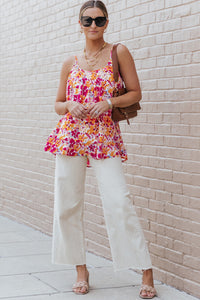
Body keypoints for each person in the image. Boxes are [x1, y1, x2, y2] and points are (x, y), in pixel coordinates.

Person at [44, 0, 157, 298]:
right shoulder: (70, 62)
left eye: (99, 19)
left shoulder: (118, 52)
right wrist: (69, 105)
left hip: (105, 136)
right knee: (67, 205)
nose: (93, 25)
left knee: (119, 200)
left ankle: (145, 270)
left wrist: (109, 103)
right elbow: (57, 104)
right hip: (70, 136)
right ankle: (81, 269)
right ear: (79, 23)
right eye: (87, 20)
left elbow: (135, 91)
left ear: (107, 22)